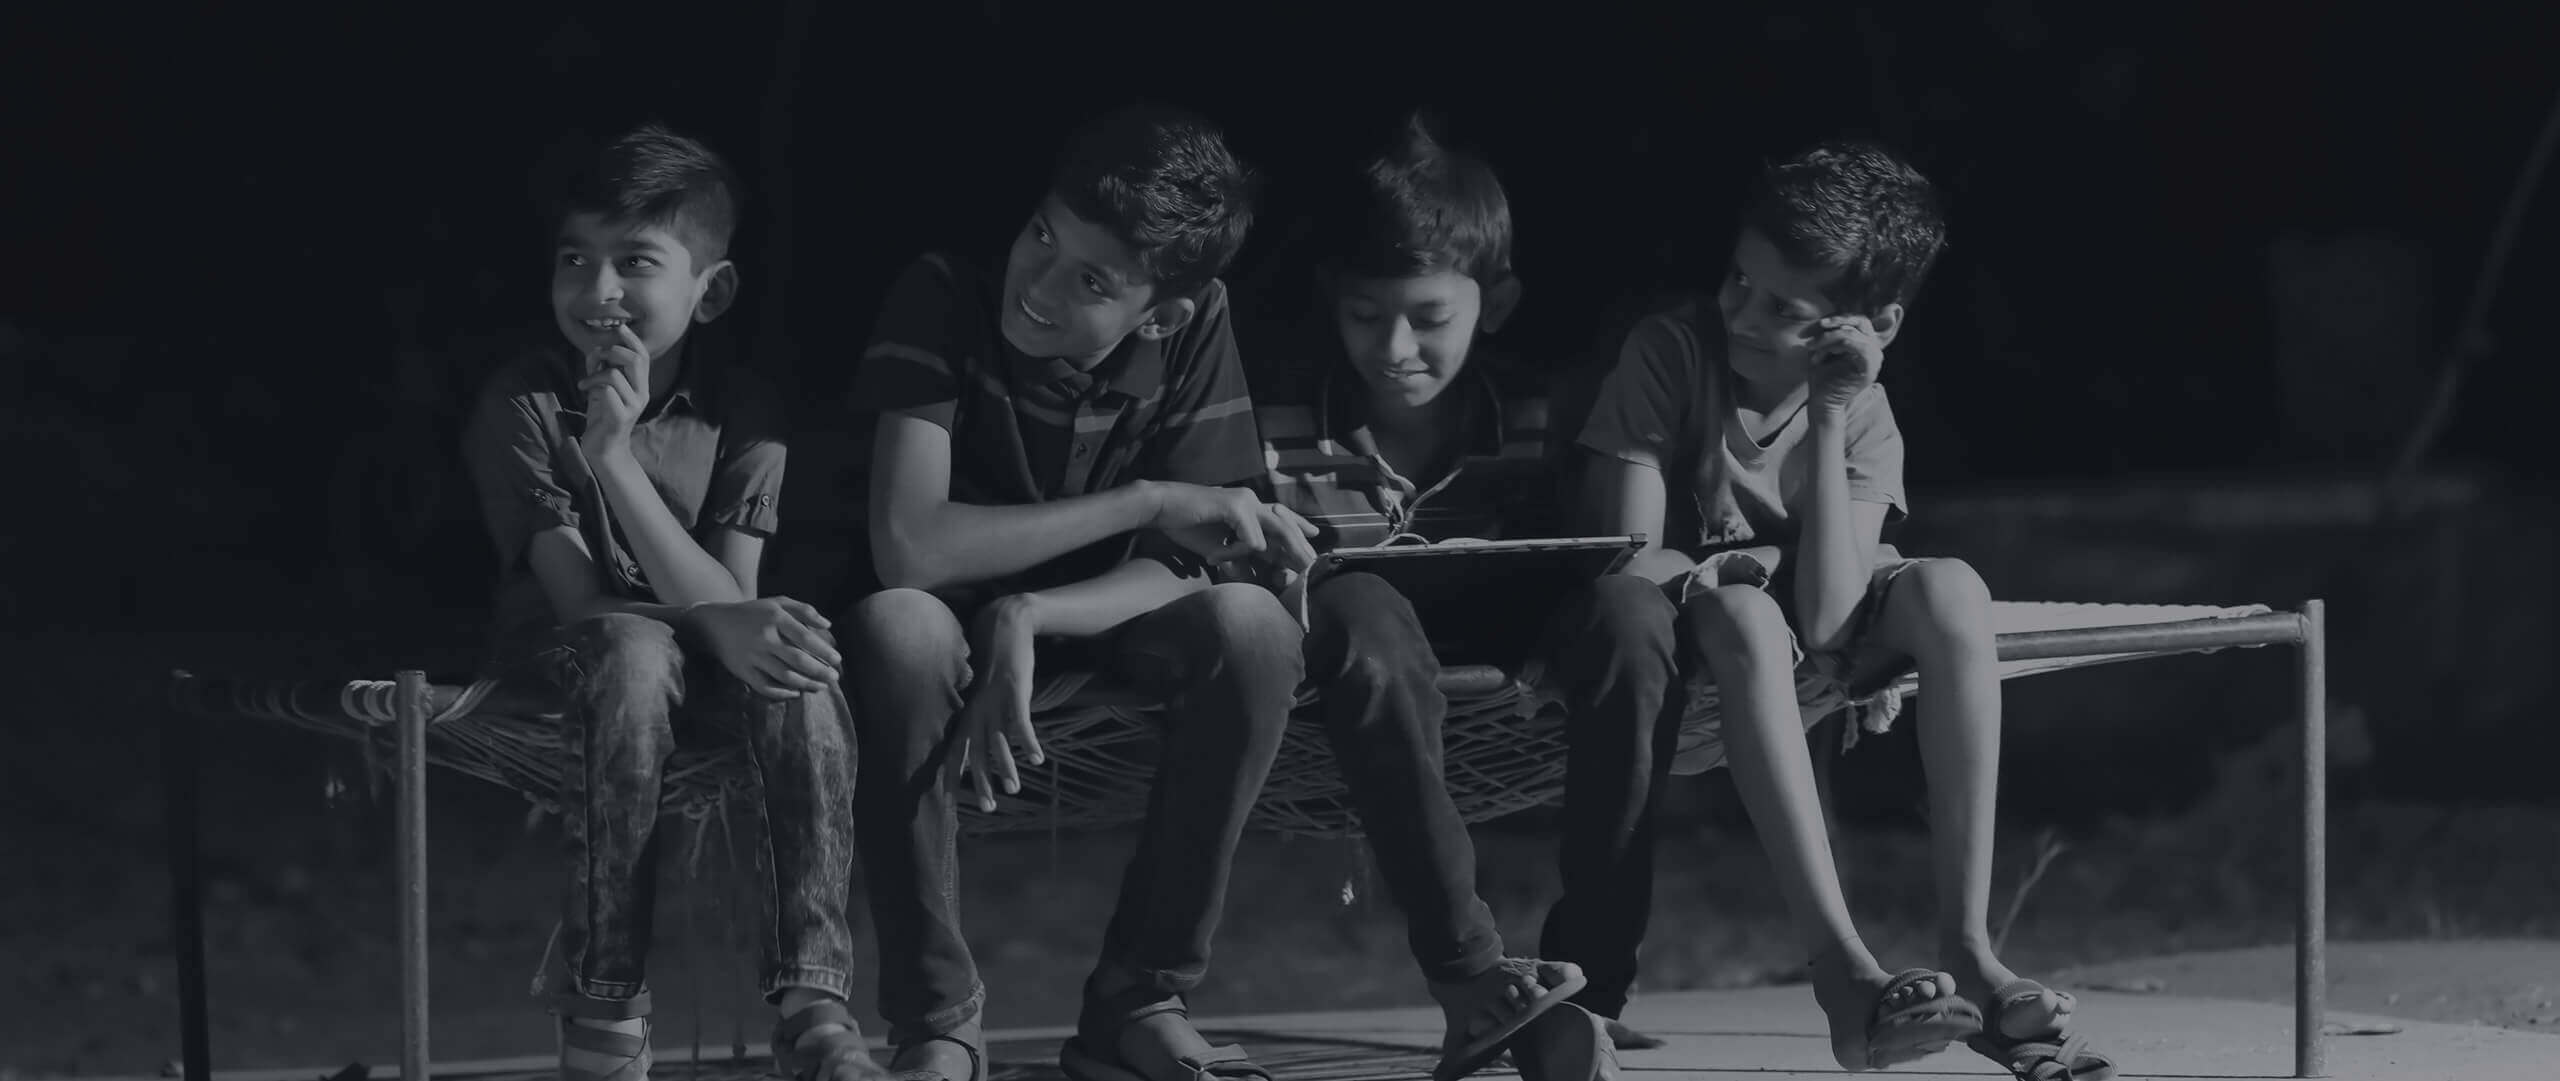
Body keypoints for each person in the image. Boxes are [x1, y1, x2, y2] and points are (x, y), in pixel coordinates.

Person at [1545, 140, 2117, 1079]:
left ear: (1874, 325)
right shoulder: (1672, 353)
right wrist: (1754, 566)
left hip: (1808, 623)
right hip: (1697, 633)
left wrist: (1826, 409)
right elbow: (1631, 562)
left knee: (1955, 588)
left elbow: (1828, 621)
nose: (1742, 312)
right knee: (1745, 614)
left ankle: (1971, 949)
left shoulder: (1863, 413)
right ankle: (1842, 972)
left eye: (1782, 307)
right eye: (1739, 279)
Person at [838, 103, 1317, 1081]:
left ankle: (1139, 995)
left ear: (1160, 313)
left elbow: (1198, 554)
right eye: (1042, 236)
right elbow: (910, 545)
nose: (1040, 284)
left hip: (1098, 611)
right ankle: (937, 1019)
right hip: (942, 614)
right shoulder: (944, 296)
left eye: (1093, 281)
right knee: (896, 626)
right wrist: (1145, 498)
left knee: (1256, 627)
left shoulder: (1194, 325)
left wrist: (1033, 611)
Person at [460, 122, 880, 1081]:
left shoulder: (745, 411)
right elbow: (581, 605)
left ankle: (815, 1004)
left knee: (797, 654)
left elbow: (734, 603)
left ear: (710, 291)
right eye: (575, 258)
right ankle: (605, 1002)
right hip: (564, 661)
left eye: (635, 262)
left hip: (699, 663)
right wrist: (606, 451)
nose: (597, 290)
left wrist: (728, 615)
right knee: (634, 647)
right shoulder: (524, 402)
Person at [1244, 110, 1615, 1081]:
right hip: (1355, 665)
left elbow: (1583, 568)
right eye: (1365, 315)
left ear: (1496, 303)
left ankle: (1594, 978)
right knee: (1365, 608)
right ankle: (1471, 968)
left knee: (1632, 620)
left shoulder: (1535, 418)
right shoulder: (1279, 422)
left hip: (1501, 645)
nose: (1395, 346)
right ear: (1332, 301)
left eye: (1429, 317)